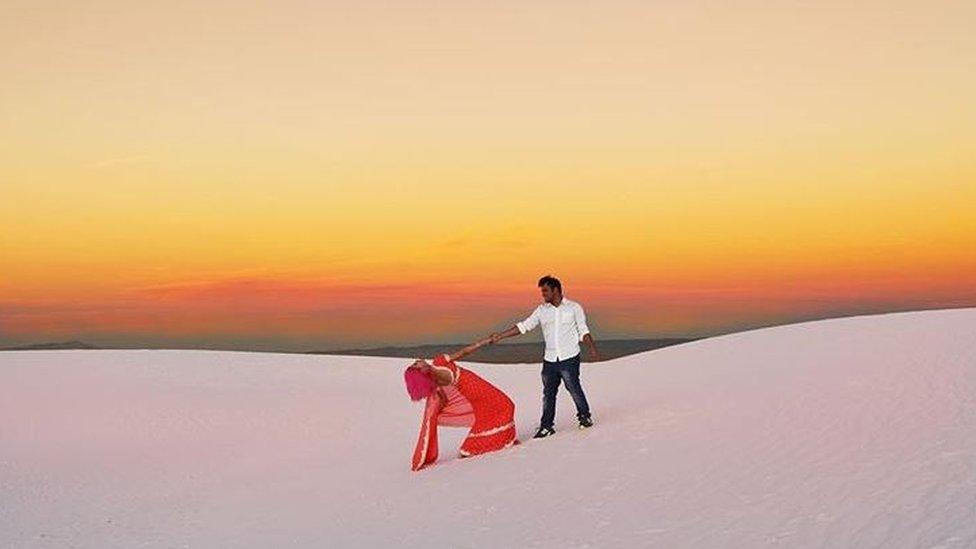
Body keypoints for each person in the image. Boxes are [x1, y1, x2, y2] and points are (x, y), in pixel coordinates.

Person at [490, 275, 600, 438]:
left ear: (555, 290)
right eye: (542, 292)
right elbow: (524, 326)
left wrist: (592, 349)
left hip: (569, 357)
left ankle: (584, 417)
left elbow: (583, 330)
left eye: (545, 291)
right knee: (548, 394)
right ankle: (547, 426)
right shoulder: (542, 311)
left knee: (573, 388)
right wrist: (501, 335)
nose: (543, 295)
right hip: (550, 360)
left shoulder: (574, 308)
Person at [404, 337, 518, 471]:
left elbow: (444, 398)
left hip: (476, 386)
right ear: (422, 371)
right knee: (506, 404)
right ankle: (489, 443)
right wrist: (483, 342)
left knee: (499, 408)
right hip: (475, 390)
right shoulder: (438, 366)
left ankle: (495, 440)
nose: (417, 361)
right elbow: (464, 352)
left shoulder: (437, 369)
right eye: (416, 365)